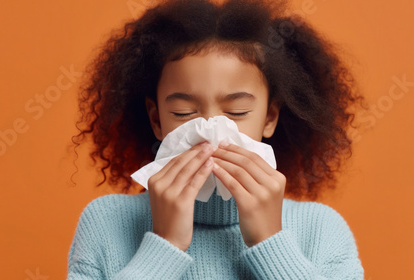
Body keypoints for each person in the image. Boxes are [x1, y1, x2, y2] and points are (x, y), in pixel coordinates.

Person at [67, 0, 367, 278]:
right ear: (156, 119)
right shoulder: (105, 222)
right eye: (184, 113)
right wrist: (164, 246)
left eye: (237, 112)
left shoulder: (321, 229)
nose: (209, 132)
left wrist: (272, 242)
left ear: (270, 117)